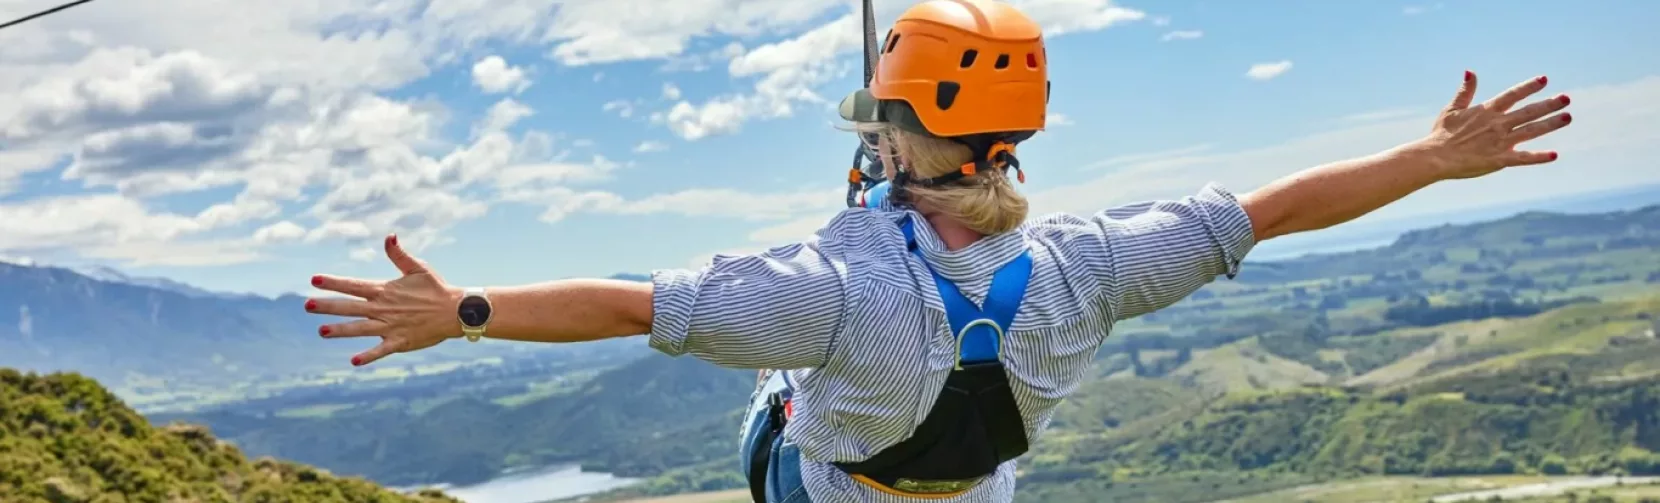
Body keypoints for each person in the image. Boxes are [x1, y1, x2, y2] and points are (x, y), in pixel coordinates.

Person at [301, 1, 1573, 501]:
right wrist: (1429, 158)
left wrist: (462, 306)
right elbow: (1276, 206)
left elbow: (633, 304)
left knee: (777, 401)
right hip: (978, 487)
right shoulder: (1093, 260)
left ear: (905, 145)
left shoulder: (828, 289)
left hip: (834, 482)